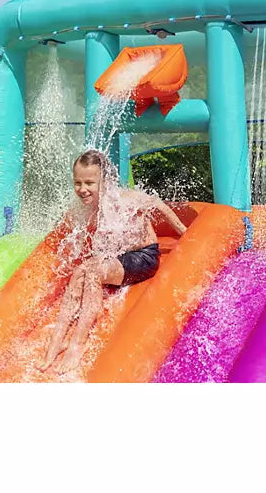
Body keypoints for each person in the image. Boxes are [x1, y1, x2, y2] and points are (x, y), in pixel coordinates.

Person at [39, 149, 188, 375]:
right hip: (119, 257)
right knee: (79, 271)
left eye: (90, 183)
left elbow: (157, 204)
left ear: (105, 181)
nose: (82, 189)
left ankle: (78, 343)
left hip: (143, 256)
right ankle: (57, 340)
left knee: (93, 273)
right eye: (78, 182)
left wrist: (183, 231)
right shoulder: (86, 208)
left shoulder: (123, 199)